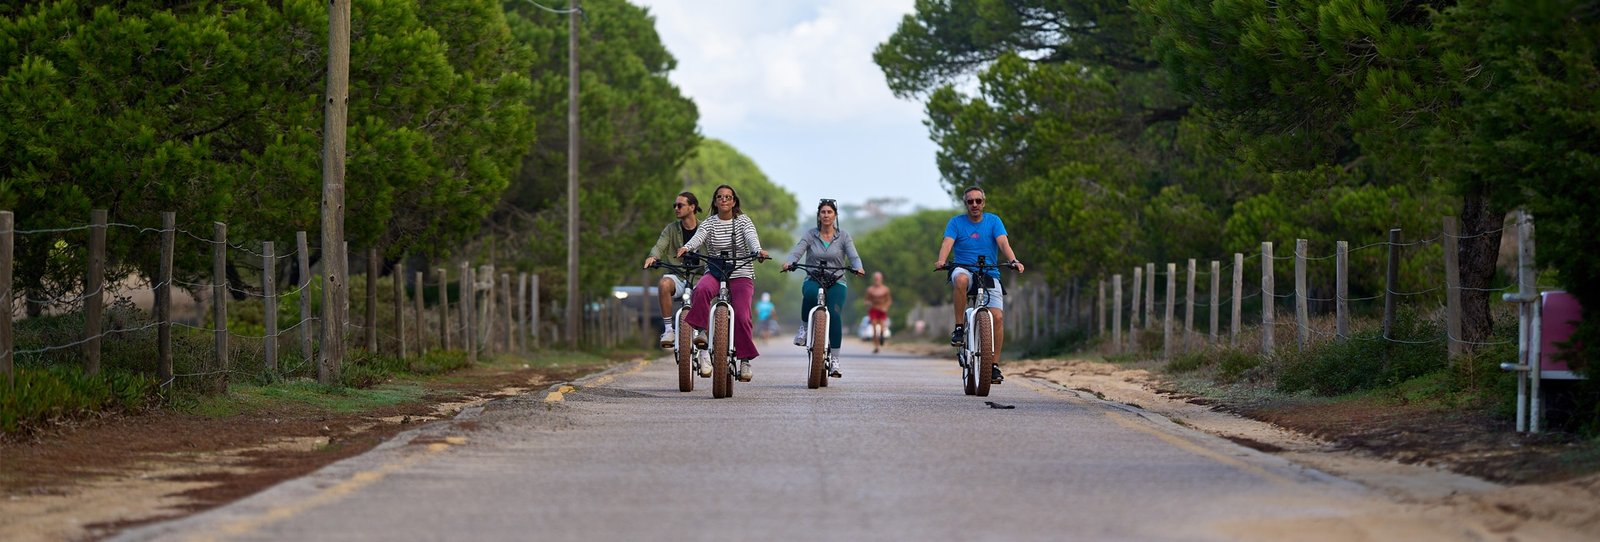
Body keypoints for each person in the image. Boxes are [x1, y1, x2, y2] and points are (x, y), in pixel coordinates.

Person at [677, 184, 769, 382]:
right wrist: (686, 247)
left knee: (743, 315)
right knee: (700, 289)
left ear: (734, 201)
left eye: (728, 197)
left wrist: (758, 250)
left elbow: (752, 238)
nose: (724, 200)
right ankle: (701, 332)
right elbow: (698, 238)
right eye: (720, 197)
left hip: (740, 271)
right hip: (716, 270)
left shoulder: (743, 221)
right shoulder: (709, 223)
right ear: (715, 202)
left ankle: (744, 360)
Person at [933, 186, 1025, 384]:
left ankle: (993, 365)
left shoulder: (994, 221)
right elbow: (947, 243)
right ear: (965, 204)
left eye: (978, 201)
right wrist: (942, 260)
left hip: (989, 271)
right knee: (960, 279)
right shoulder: (956, 222)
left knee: (998, 317)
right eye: (970, 201)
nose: (974, 205)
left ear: (984, 202)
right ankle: (959, 328)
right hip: (964, 267)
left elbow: (1003, 243)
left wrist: (1014, 260)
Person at [782, 199, 864, 378]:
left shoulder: (843, 236)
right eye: (823, 212)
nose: (826, 215)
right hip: (813, 278)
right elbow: (798, 250)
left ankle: (835, 360)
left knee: (834, 314)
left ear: (835, 215)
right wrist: (790, 261)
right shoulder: (810, 235)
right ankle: (804, 328)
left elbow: (853, 256)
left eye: (829, 212)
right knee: (810, 294)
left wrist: (858, 267)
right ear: (818, 215)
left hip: (837, 280)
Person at [642, 191, 703, 349]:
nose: (676, 208)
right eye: (674, 205)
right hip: (679, 276)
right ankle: (669, 330)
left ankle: (704, 346)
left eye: (680, 205)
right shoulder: (671, 229)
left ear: (692, 207)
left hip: (700, 278)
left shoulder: (705, 229)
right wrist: (653, 257)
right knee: (663, 284)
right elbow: (659, 246)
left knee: (707, 290)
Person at [863, 271, 892, 354]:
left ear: (881, 279)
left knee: (882, 327)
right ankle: (876, 346)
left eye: (878, 278)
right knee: (874, 329)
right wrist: (868, 303)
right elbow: (866, 300)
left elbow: (889, 300)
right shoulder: (870, 290)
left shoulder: (885, 289)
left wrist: (886, 307)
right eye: (876, 279)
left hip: (882, 310)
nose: (877, 280)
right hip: (873, 310)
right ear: (874, 279)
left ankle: (882, 336)